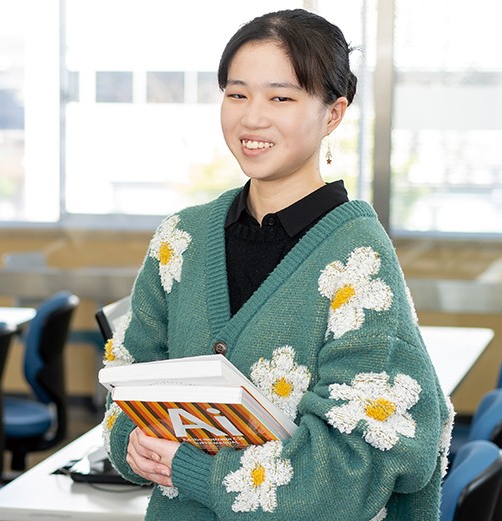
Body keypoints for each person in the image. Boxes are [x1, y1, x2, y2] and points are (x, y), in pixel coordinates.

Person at [100, 8, 452, 521]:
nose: (252, 117)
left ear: (333, 113)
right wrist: (133, 441)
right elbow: (124, 390)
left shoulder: (358, 260)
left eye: (281, 97)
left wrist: (190, 469)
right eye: (236, 94)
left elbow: (353, 464)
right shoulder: (181, 238)